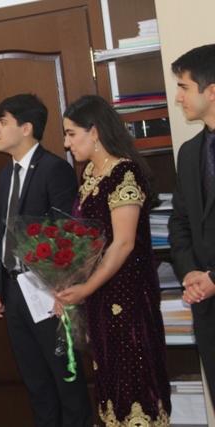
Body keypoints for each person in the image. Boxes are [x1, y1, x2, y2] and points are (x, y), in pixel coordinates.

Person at [56, 95, 171, 425]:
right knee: (110, 379)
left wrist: (85, 288)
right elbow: (86, 242)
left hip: (128, 294)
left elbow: (122, 244)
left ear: (94, 132)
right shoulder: (90, 173)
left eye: (71, 134)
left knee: (135, 379)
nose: (66, 143)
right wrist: (67, 286)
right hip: (99, 295)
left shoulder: (124, 172)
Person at [0, 94, 92, 427]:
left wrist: (63, 289)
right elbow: (2, 233)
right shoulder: (5, 175)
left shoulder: (54, 169)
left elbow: (68, 234)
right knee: (36, 382)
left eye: (2, 122)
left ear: (26, 128)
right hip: (14, 291)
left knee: (65, 378)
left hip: (49, 292)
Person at [168, 44, 215, 411]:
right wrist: (190, 274)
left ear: (211, 90)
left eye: (184, 87)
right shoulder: (188, 153)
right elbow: (180, 223)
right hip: (206, 307)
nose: (178, 97)